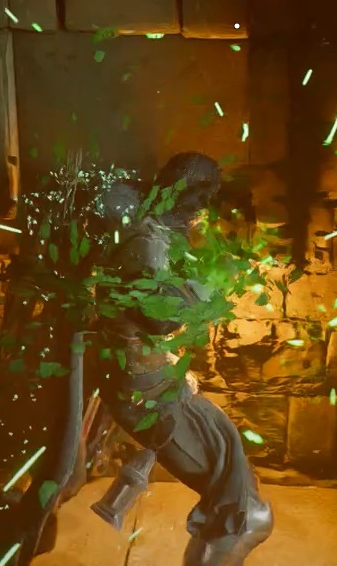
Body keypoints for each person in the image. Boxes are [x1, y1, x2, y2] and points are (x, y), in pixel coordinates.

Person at [89, 152, 273, 566]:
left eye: (209, 196)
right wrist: (212, 284)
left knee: (231, 461)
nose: (203, 206)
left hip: (149, 375)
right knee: (239, 506)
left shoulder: (156, 234)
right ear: (177, 191)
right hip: (140, 387)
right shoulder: (147, 241)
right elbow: (160, 317)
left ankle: (231, 526)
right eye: (199, 194)